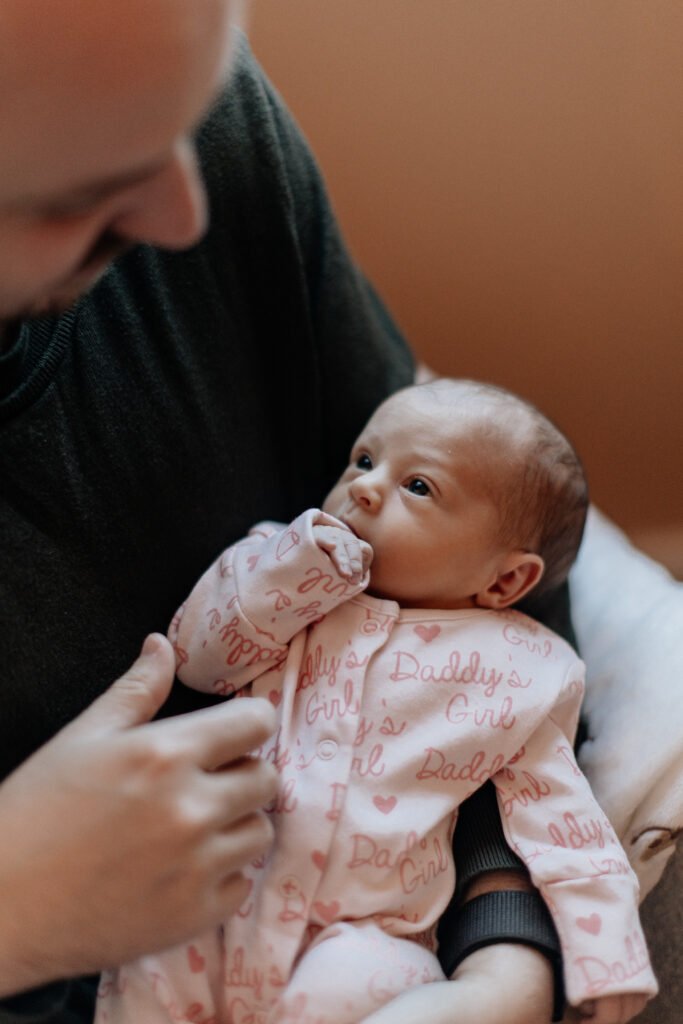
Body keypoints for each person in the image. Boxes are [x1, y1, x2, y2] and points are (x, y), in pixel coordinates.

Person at [0, 3, 679, 1023]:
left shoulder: (207, 125)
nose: (187, 214)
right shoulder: (286, 571)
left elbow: (540, 786)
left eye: (189, 117)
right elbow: (201, 647)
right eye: (76, 185)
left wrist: (512, 965)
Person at [96, 379, 656, 1024]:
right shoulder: (279, 564)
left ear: (505, 579)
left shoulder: (525, 666)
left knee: (389, 986)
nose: (364, 486)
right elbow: (200, 658)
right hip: (208, 898)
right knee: (147, 963)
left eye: (418, 486)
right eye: (364, 461)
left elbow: (561, 816)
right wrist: (296, 571)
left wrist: (605, 948)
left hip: (364, 936)